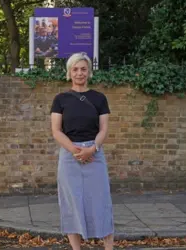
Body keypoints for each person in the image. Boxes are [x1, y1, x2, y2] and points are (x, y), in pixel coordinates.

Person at [50, 52, 114, 250]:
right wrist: (75, 150)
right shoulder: (60, 99)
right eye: (75, 69)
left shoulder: (99, 98)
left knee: (101, 202)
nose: (79, 73)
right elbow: (56, 131)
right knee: (71, 204)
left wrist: (92, 149)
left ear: (89, 72)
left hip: (95, 155)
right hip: (69, 157)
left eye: (83, 69)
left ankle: (108, 247)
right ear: (69, 72)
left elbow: (103, 129)